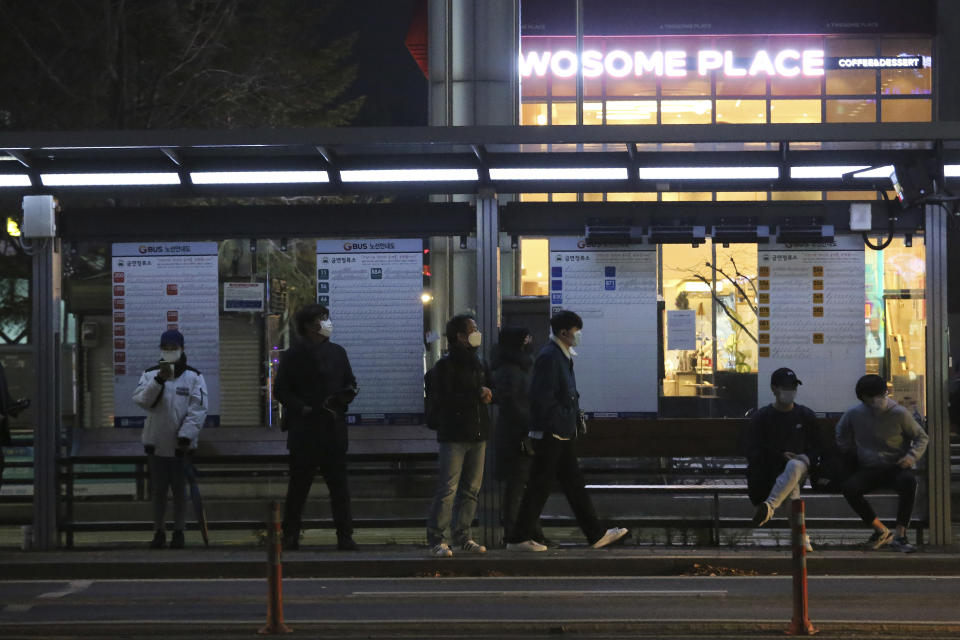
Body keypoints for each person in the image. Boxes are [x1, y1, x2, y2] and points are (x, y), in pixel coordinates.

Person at [507, 310, 628, 552]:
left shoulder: (560, 355)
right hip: (553, 434)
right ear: (564, 332)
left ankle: (595, 534)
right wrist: (561, 420)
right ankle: (519, 538)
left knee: (571, 485)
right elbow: (543, 398)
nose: (578, 335)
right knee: (541, 486)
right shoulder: (551, 357)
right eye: (576, 330)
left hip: (560, 432)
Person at [275, 303, 359, 552]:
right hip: (305, 429)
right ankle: (290, 534)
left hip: (332, 427)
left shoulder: (338, 352)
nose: (326, 323)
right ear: (308, 325)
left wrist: (340, 400)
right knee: (299, 487)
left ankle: (345, 535)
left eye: (326, 318)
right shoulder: (292, 355)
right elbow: (281, 389)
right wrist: (301, 408)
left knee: (339, 488)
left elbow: (350, 383)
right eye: (321, 319)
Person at [425, 314, 494, 557]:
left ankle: (463, 535)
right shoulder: (445, 366)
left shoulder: (479, 362)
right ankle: (436, 537)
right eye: (473, 329)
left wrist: (489, 392)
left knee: (471, 489)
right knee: (448, 488)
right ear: (460, 336)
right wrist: (477, 393)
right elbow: (445, 399)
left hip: (477, 433)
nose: (477, 333)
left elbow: (493, 388)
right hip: (454, 434)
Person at [133, 330, 208, 549]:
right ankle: (159, 531)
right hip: (155, 443)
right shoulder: (150, 374)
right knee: (158, 491)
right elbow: (142, 401)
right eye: (165, 348)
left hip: (180, 446)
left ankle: (179, 531)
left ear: (182, 349)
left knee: (179, 490)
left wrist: (186, 436)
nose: (170, 352)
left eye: (173, 348)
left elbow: (199, 409)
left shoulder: (194, 376)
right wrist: (159, 380)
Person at [836, 374, 929, 552]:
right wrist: (850, 452)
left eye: (878, 395)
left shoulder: (899, 413)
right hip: (869, 467)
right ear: (863, 398)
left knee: (909, 482)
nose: (876, 401)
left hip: (895, 466)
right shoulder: (855, 414)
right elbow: (840, 432)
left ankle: (900, 534)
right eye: (871, 397)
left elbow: (921, 437)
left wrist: (911, 457)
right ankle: (881, 529)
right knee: (850, 488)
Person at [742, 367, 821, 551]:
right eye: (785, 387)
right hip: (768, 474)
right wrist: (780, 456)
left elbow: (819, 447)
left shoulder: (805, 416)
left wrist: (807, 458)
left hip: (800, 468)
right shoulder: (762, 418)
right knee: (791, 484)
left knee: (794, 465)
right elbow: (752, 450)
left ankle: (769, 507)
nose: (790, 391)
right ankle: (801, 537)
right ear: (774, 389)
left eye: (793, 386)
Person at [492, 326, 545, 545]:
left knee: (521, 485)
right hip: (518, 434)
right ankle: (517, 533)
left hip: (518, 432)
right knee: (518, 486)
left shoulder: (515, 367)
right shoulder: (513, 369)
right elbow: (513, 403)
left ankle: (527, 532)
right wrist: (530, 425)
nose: (530, 340)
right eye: (526, 338)